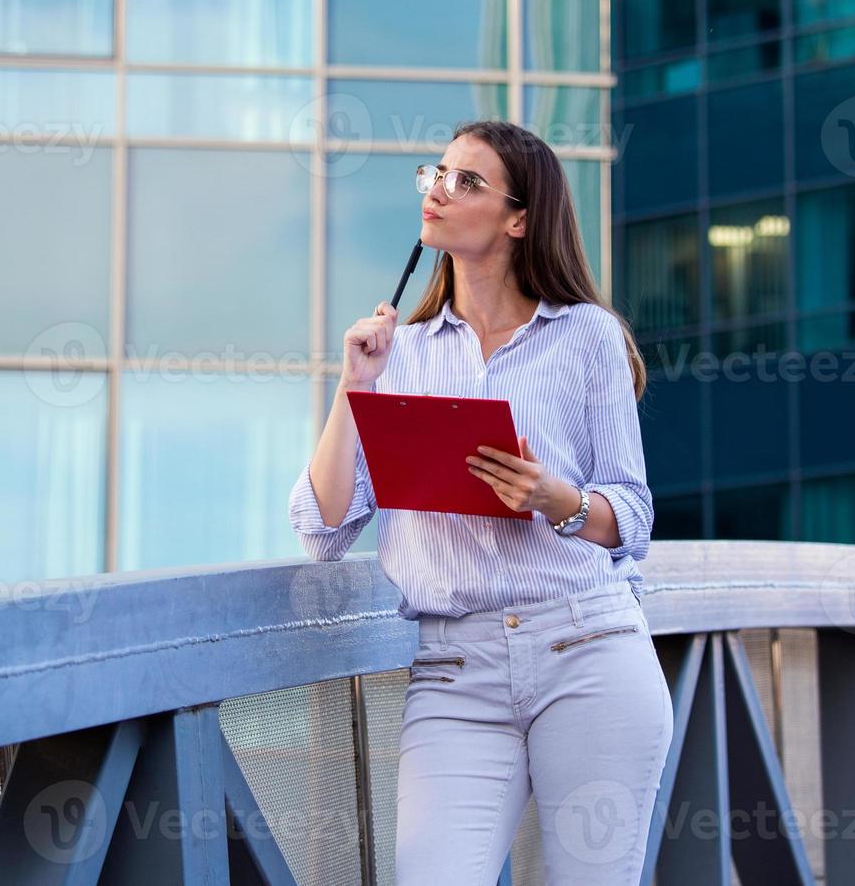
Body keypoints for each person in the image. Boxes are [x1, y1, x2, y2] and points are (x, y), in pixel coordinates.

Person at [288, 119, 672, 884]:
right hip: (455, 668)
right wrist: (354, 387)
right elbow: (323, 529)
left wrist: (553, 497)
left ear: (519, 218)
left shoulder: (587, 338)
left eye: (468, 181)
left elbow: (631, 517)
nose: (438, 189)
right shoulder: (401, 354)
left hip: (589, 652)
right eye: (437, 173)